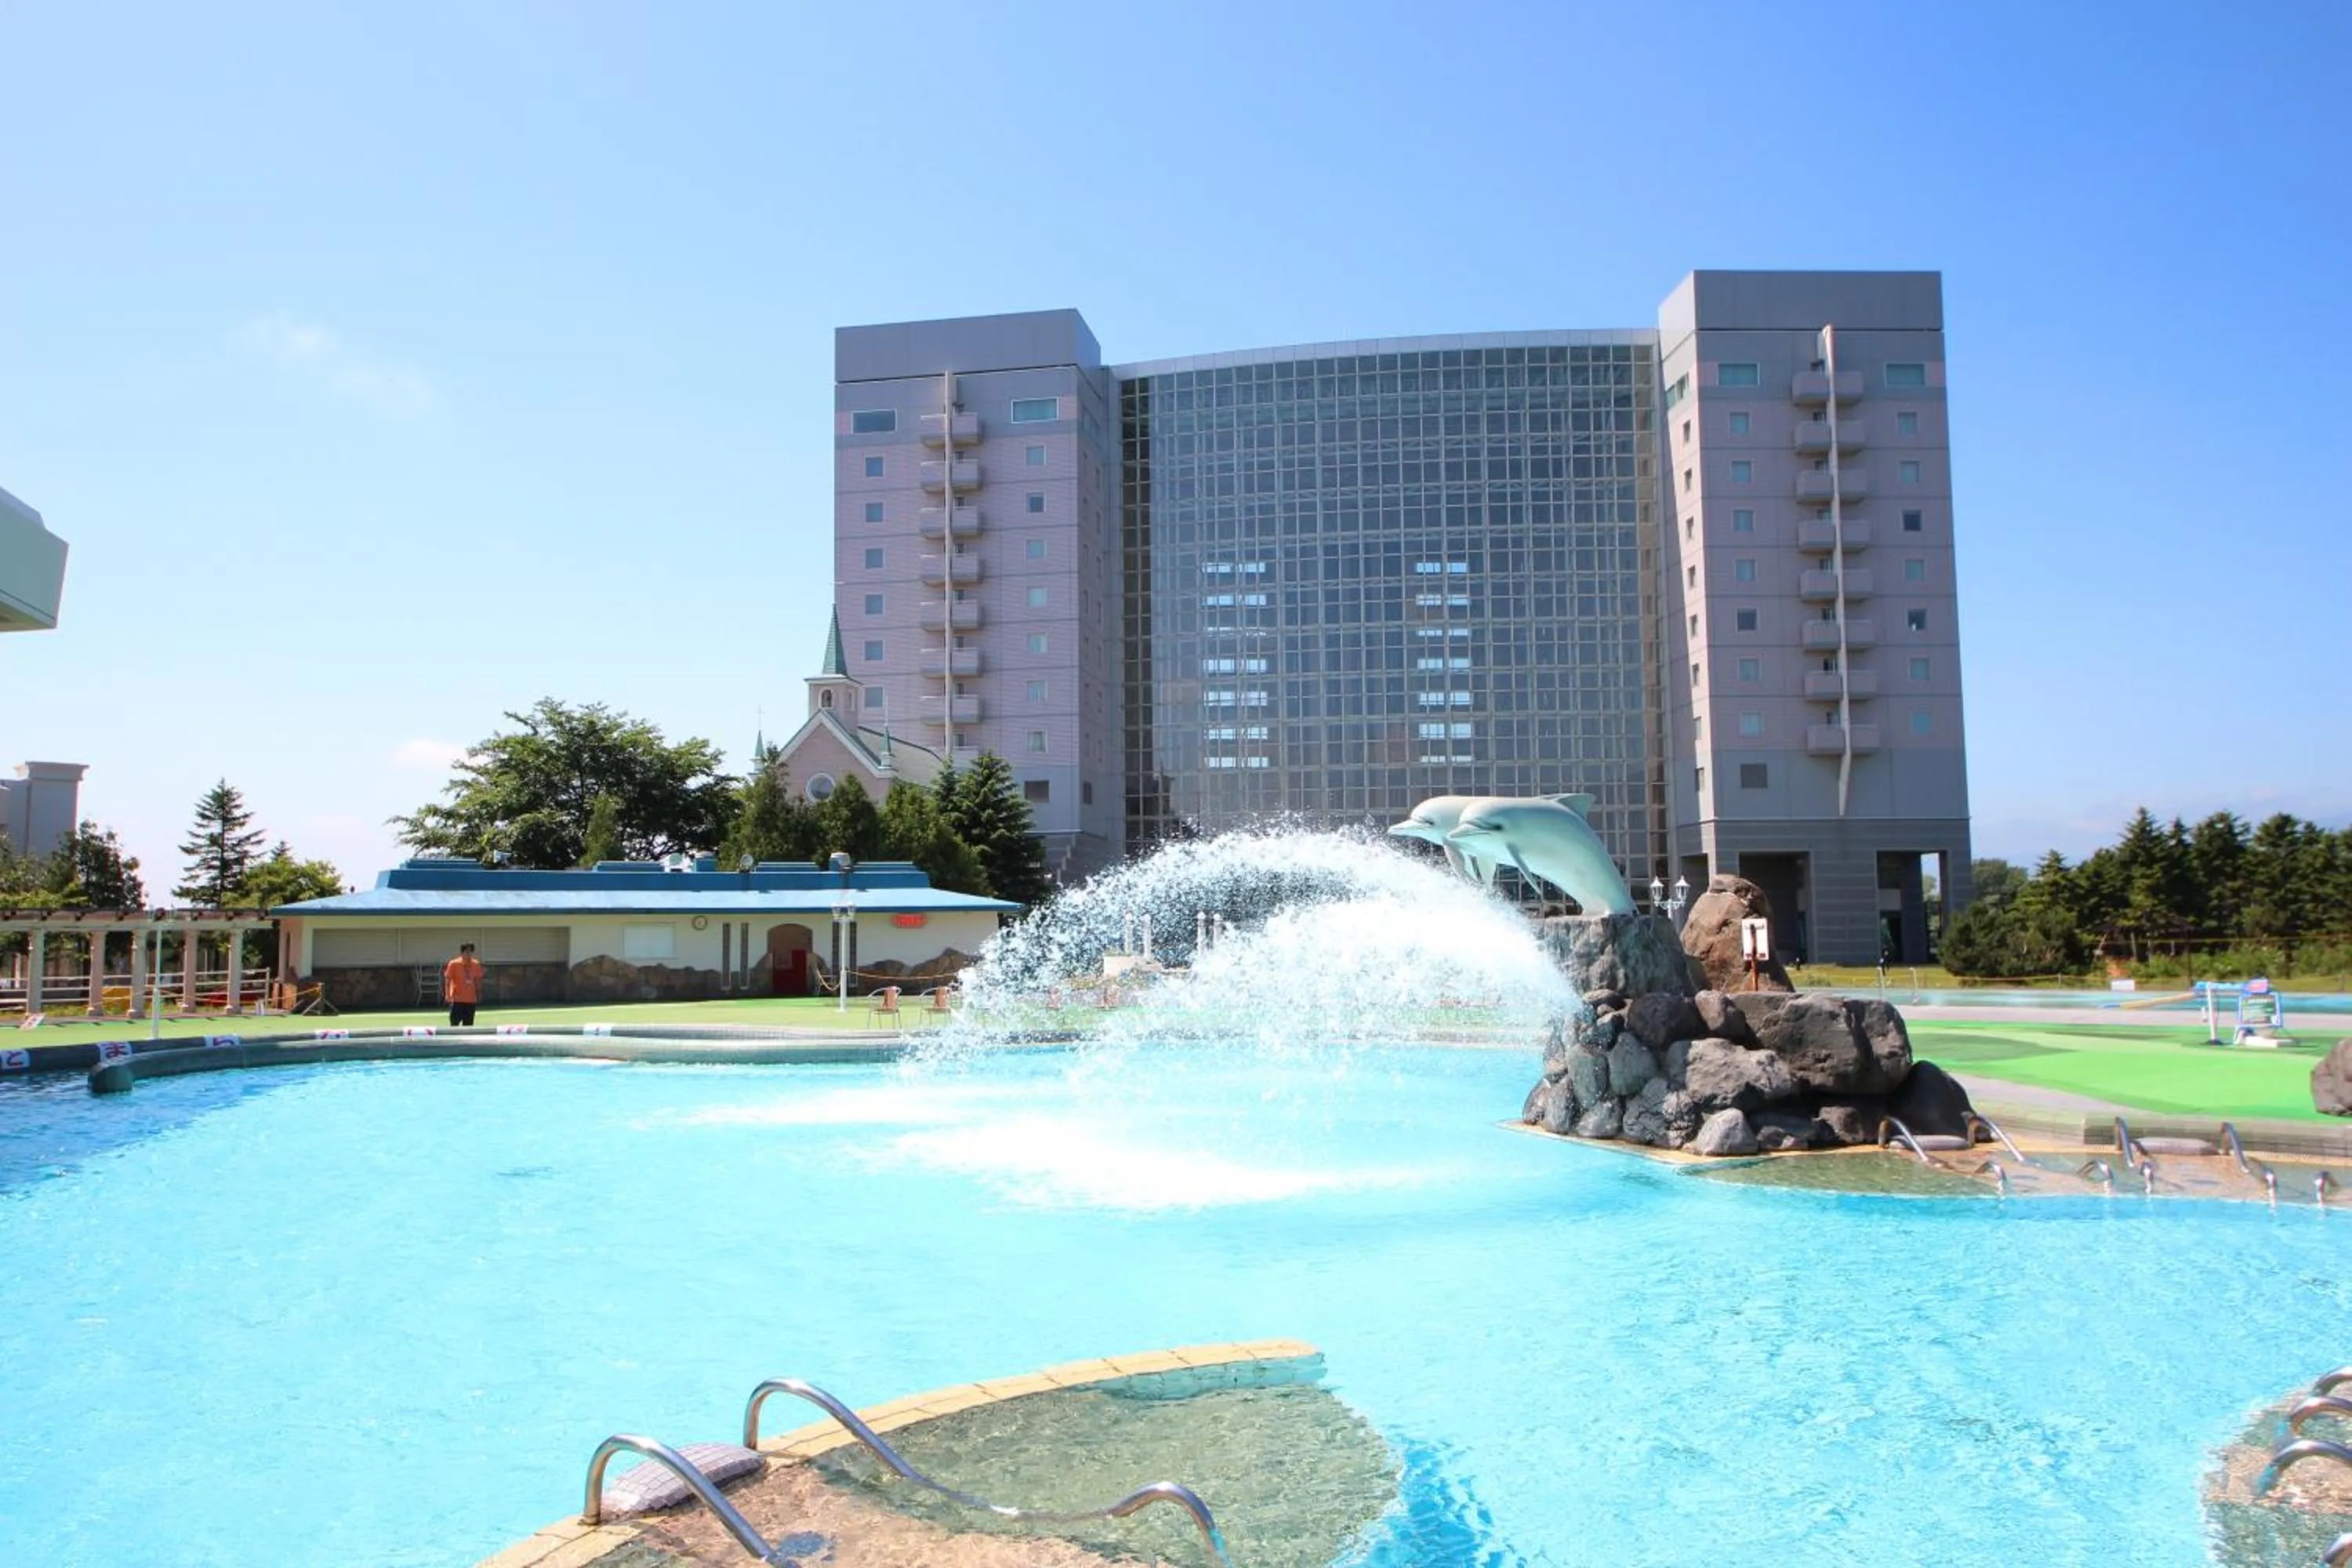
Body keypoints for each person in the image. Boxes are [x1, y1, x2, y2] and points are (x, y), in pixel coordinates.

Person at [443, 942, 485, 1027]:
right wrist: (447, 995)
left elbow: (478, 981)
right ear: (462, 952)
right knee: (454, 1025)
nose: (469, 954)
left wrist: (479, 994)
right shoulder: (454, 964)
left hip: (470, 1000)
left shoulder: (476, 964)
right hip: (457, 1000)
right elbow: (448, 980)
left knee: (468, 1026)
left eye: (471, 951)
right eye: (467, 951)